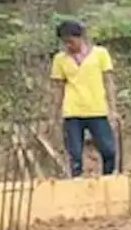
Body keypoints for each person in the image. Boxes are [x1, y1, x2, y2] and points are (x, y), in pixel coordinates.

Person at [50, 20, 119, 177]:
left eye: (70, 41)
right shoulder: (60, 59)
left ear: (80, 38)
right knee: (74, 154)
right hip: (72, 111)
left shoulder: (100, 54)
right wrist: (54, 114)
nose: (68, 46)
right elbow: (58, 88)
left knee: (108, 150)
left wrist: (113, 109)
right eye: (64, 42)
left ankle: (107, 179)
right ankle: (77, 184)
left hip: (97, 109)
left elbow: (108, 82)